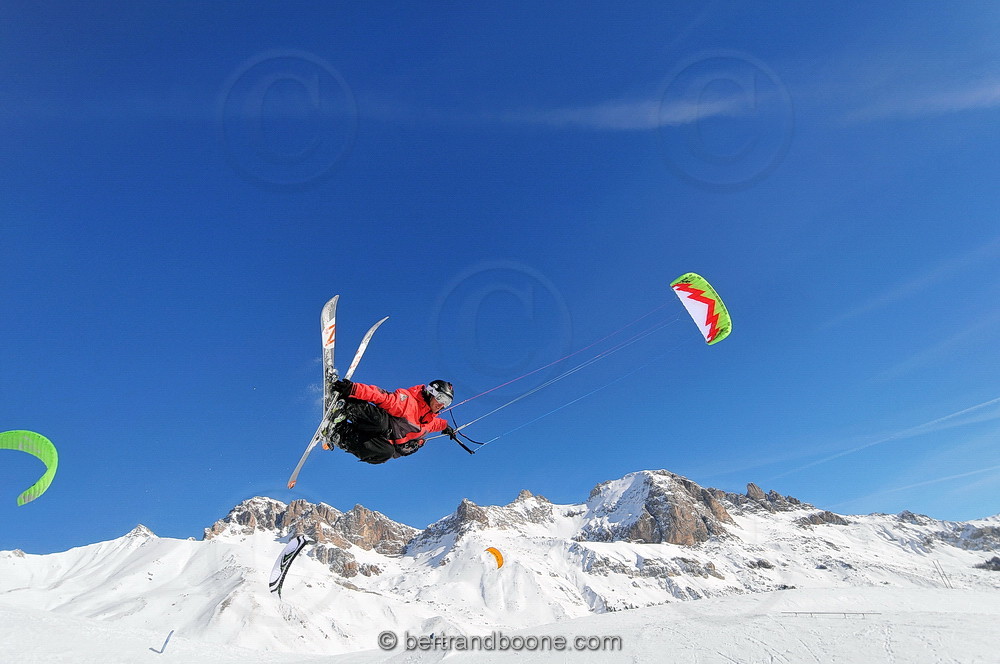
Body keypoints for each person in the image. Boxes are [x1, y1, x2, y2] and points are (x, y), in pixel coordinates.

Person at [324, 379, 457, 464]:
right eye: (441, 398)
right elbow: (381, 396)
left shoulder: (429, 421)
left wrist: (446, 427)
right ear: (431, 392)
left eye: (447, 402)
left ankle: (339, 433)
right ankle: (346, 406)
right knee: (381, 423)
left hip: (381, 438)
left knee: (386, 453)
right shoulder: (408, 403)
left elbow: (438, 424)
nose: (442, 404)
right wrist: (353, 389)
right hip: (374, 423)